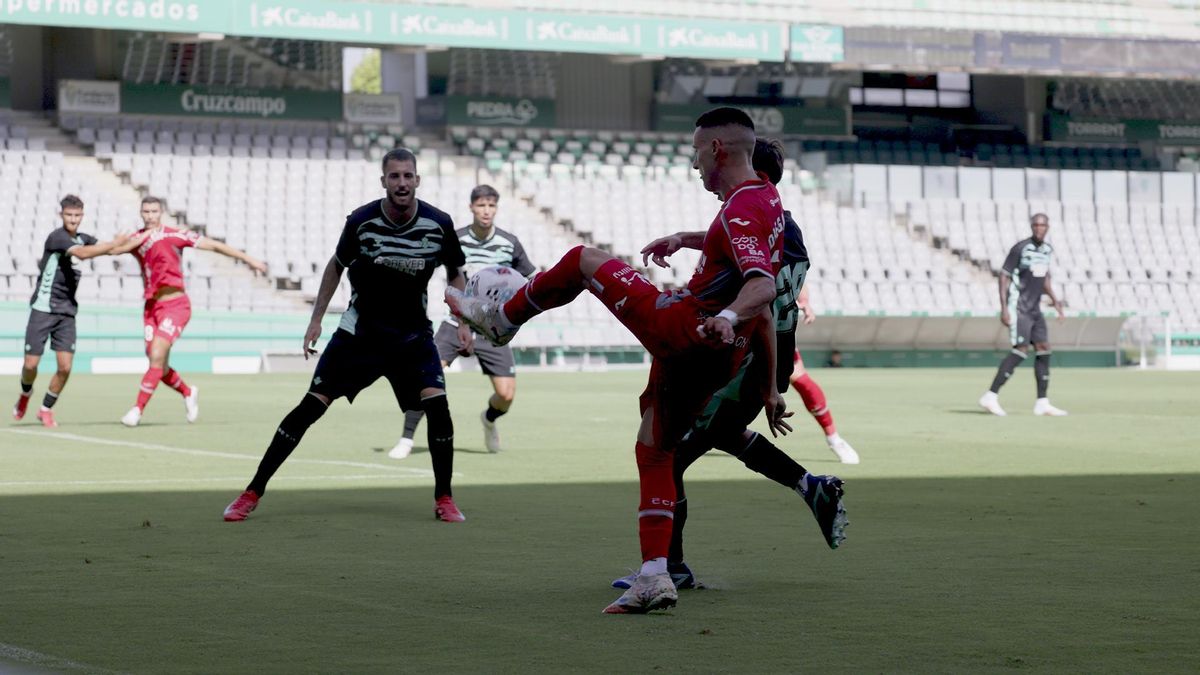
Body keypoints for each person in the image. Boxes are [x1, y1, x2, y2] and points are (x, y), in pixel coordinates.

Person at [450, 108, 820, 614]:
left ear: (717, 149)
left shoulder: (738, 211)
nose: (694, 163)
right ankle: (655, 576)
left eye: (696, 150)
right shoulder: (769, 203)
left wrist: (728, 315)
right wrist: (770, 389)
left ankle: (502, 319)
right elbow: (767, 298)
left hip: (686, 328)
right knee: (657, 449)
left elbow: (757, 288)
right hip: (724, 358)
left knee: (582, 259)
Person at [611, 138, 848, 592]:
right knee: (718, 432)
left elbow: (756, 303)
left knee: (671, 453)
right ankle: (810, 486)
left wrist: (767, 385)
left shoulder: (755, 225)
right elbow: (741, 248)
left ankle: (671, 567)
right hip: (760, 359)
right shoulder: (781, 227)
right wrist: (685, 238)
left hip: (749, 361)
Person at [223, 148, 472, 524]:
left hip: (412, 338)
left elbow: (456, 272)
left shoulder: (439, 223)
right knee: (310, 407)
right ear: (383, 181)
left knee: (439, 407)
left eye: (408, 176)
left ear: (417, 180)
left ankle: (445, 498)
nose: (401, 183)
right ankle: (251, 492)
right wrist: (316, 320)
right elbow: (336, 266)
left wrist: (463, 318)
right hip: (360, 335)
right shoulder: (362, 221)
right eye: (394, 176)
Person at [389, 184, 536, 459]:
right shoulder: (455, 239)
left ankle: (489, 419)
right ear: (472, 207)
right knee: (428, 378)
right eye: (481, 205)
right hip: (456, 322)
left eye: (491, 205)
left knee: (505, 396)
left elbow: (529, 279)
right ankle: (407, 438)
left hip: (493, 327)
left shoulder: (510, 242)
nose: (486, 211)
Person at [113, 196, 267, 427]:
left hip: (176, 306)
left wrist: (248, 259)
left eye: (154, 211)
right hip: (151, 307)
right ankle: (187, 392)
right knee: (159, 365)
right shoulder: (137, 240)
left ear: (161, 212)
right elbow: (113, 249)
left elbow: (214, 245)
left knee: (156, 355)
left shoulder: (175, 235)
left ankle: (137, 410)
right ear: (141, 213)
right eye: (146, 211)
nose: (150, 215)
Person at [12, 195, 132, 427]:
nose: (73, 219)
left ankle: (45, 409)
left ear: (82, 216)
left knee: (65, 367)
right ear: (62, 215)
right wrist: (113, 243)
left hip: (67, 313)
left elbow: (112, 251)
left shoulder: (83, 237)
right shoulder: (57, 238)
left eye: (77, 216)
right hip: (43, 309)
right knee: (30, 365)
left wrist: (142, 239)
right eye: (69, 215)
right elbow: (85, 253)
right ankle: (25, 394)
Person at [979, 213, 1067, 417]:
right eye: (1035, 225)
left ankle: (1042, 402)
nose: (1039, 228)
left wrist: (1056, 303)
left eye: (1042, 225)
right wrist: (1003, 308)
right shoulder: (1020, 248)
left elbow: (1044, 278)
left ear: (1048, 227)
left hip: (1035, 309)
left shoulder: (1047, 250)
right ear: (1031, 226)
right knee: (1020, 350)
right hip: (1019, 307)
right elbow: (1003, 276)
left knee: (1044, 349)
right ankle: (990, 396)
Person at [789, 285, 859, 464]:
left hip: (774, 326)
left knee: (802, 381)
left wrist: (804, 301)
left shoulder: (786, 256)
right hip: (734, 322)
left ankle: (834, 438)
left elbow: (800, 275)